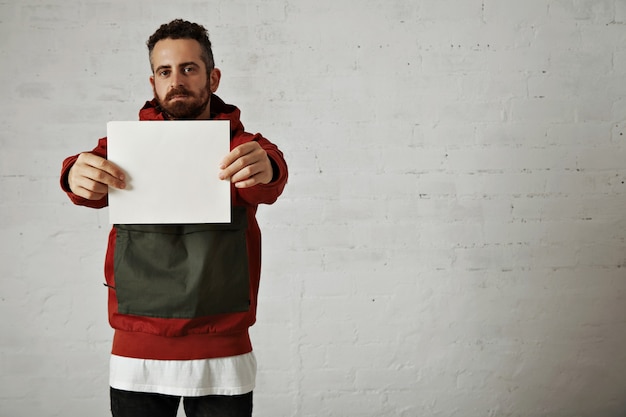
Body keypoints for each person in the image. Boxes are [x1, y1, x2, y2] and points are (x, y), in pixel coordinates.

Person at [59, 19, 288, 417]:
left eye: (189, 68)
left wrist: (267, 167)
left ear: (212, 78)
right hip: (138, 347)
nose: (175, 80)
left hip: (223, 346)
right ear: (153, 83)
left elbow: (268, 179)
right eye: (164, 71)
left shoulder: (242, 145)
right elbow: (86, 178)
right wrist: (73, 173)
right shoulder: (124, 144)